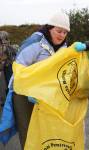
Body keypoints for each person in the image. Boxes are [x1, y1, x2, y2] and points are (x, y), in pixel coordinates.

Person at [5, 11, 71, 149]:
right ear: (50, 28)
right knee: (28, 130)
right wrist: (29, 90)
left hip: (43, 93)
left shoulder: (63, 46)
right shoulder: (35, 42)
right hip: (22, 93)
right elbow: (18, 68)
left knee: (44, 130)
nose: (62, 35)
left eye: (65, 33)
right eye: (59, 31)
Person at [0, 31, 17, 107]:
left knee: (8, 85)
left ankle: (8, 101)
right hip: (5, 68)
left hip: (9, 67)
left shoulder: (10, 47)